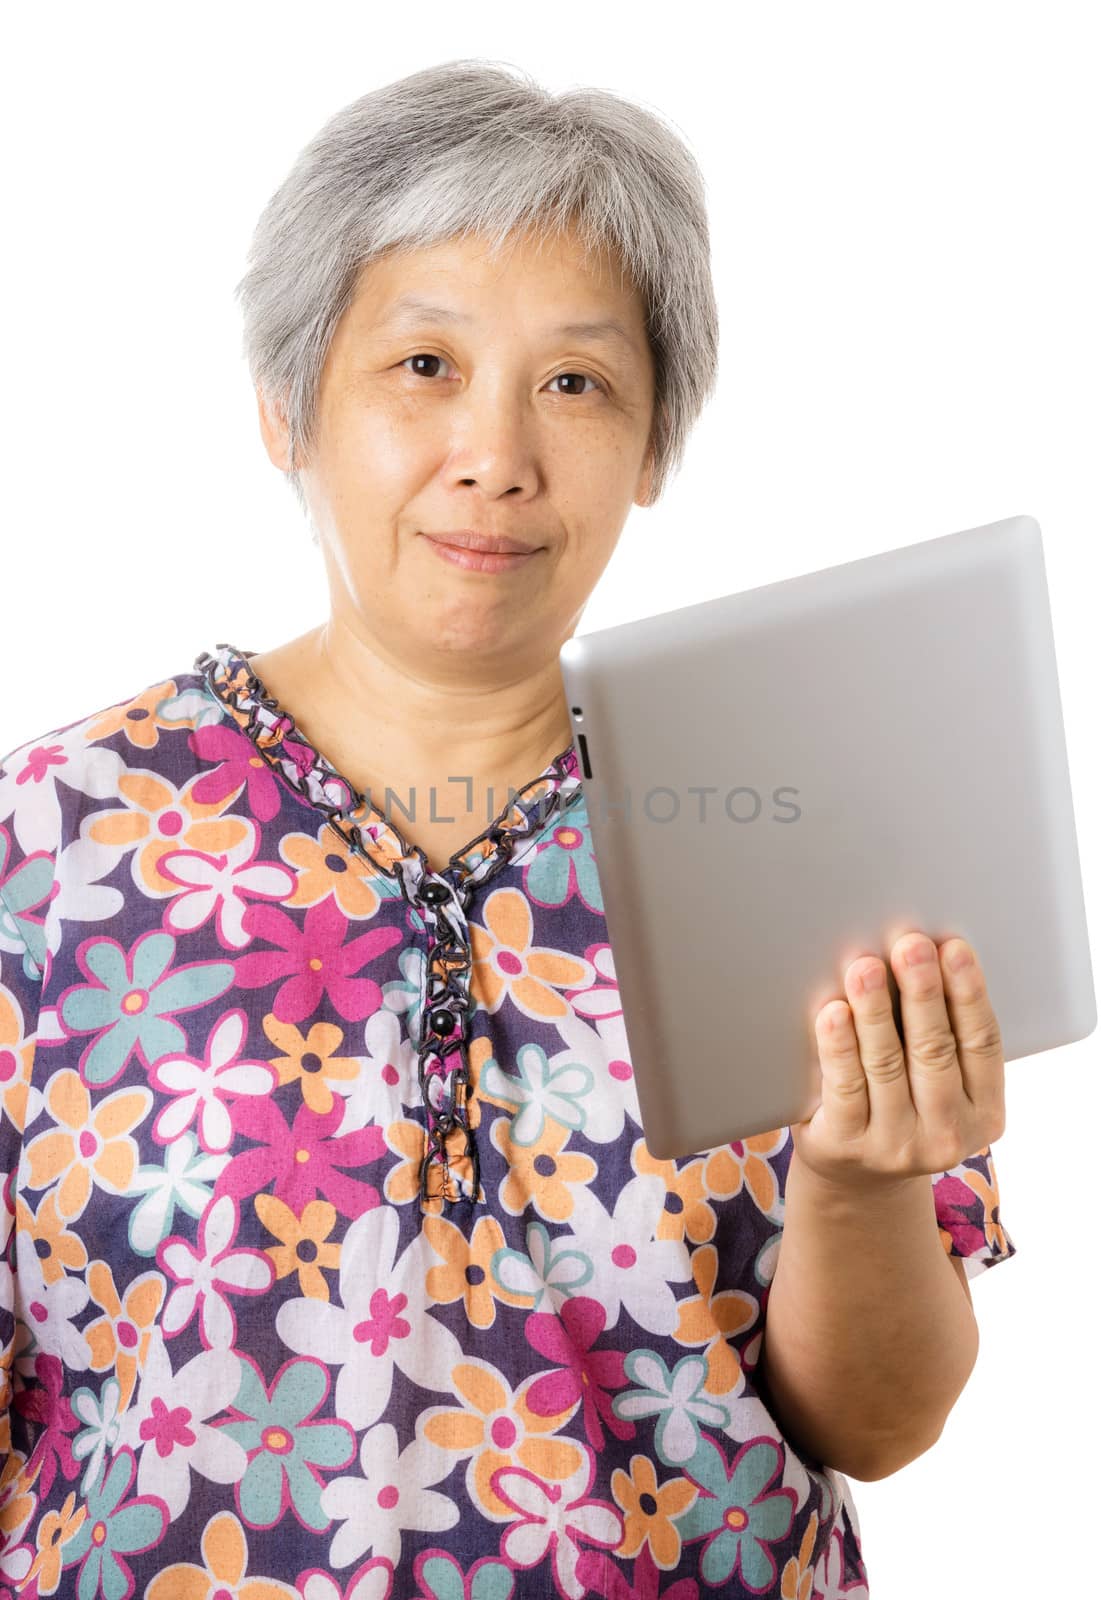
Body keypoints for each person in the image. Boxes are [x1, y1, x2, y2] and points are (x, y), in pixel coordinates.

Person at [0, 59, 1015, 1599]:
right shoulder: (51, 841)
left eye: (576, 382)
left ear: (653, 443)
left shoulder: (801, 821)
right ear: (286, 406)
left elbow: (873, 1425)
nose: (496, 454)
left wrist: (862, 1181)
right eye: (421, 366)